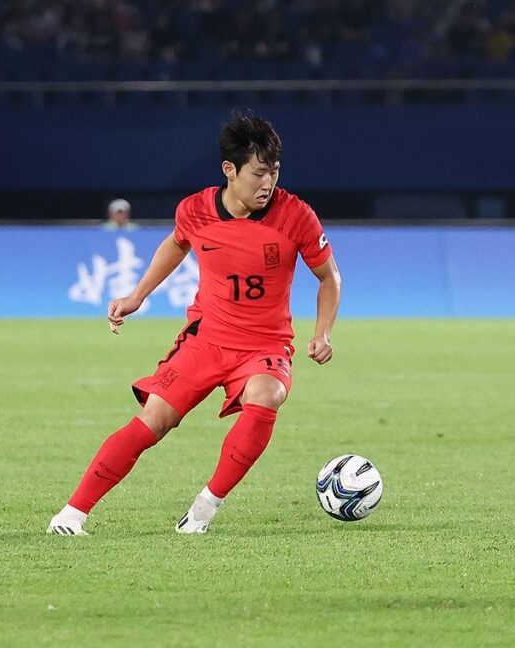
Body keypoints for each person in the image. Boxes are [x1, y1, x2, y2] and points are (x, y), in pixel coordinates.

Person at [48, 112, 341, 535]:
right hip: (206, 340)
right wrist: (137, 296)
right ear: (230, 170)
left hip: (264, 346)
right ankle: (73, 513)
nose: (268, 184)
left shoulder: (296, 216)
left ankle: (204, 508)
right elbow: (176, 243)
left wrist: (323, 332)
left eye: (274, 173)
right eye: (258, 173)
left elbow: (329, 276)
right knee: (154, 421)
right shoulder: (196, 210)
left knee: (268, 394)